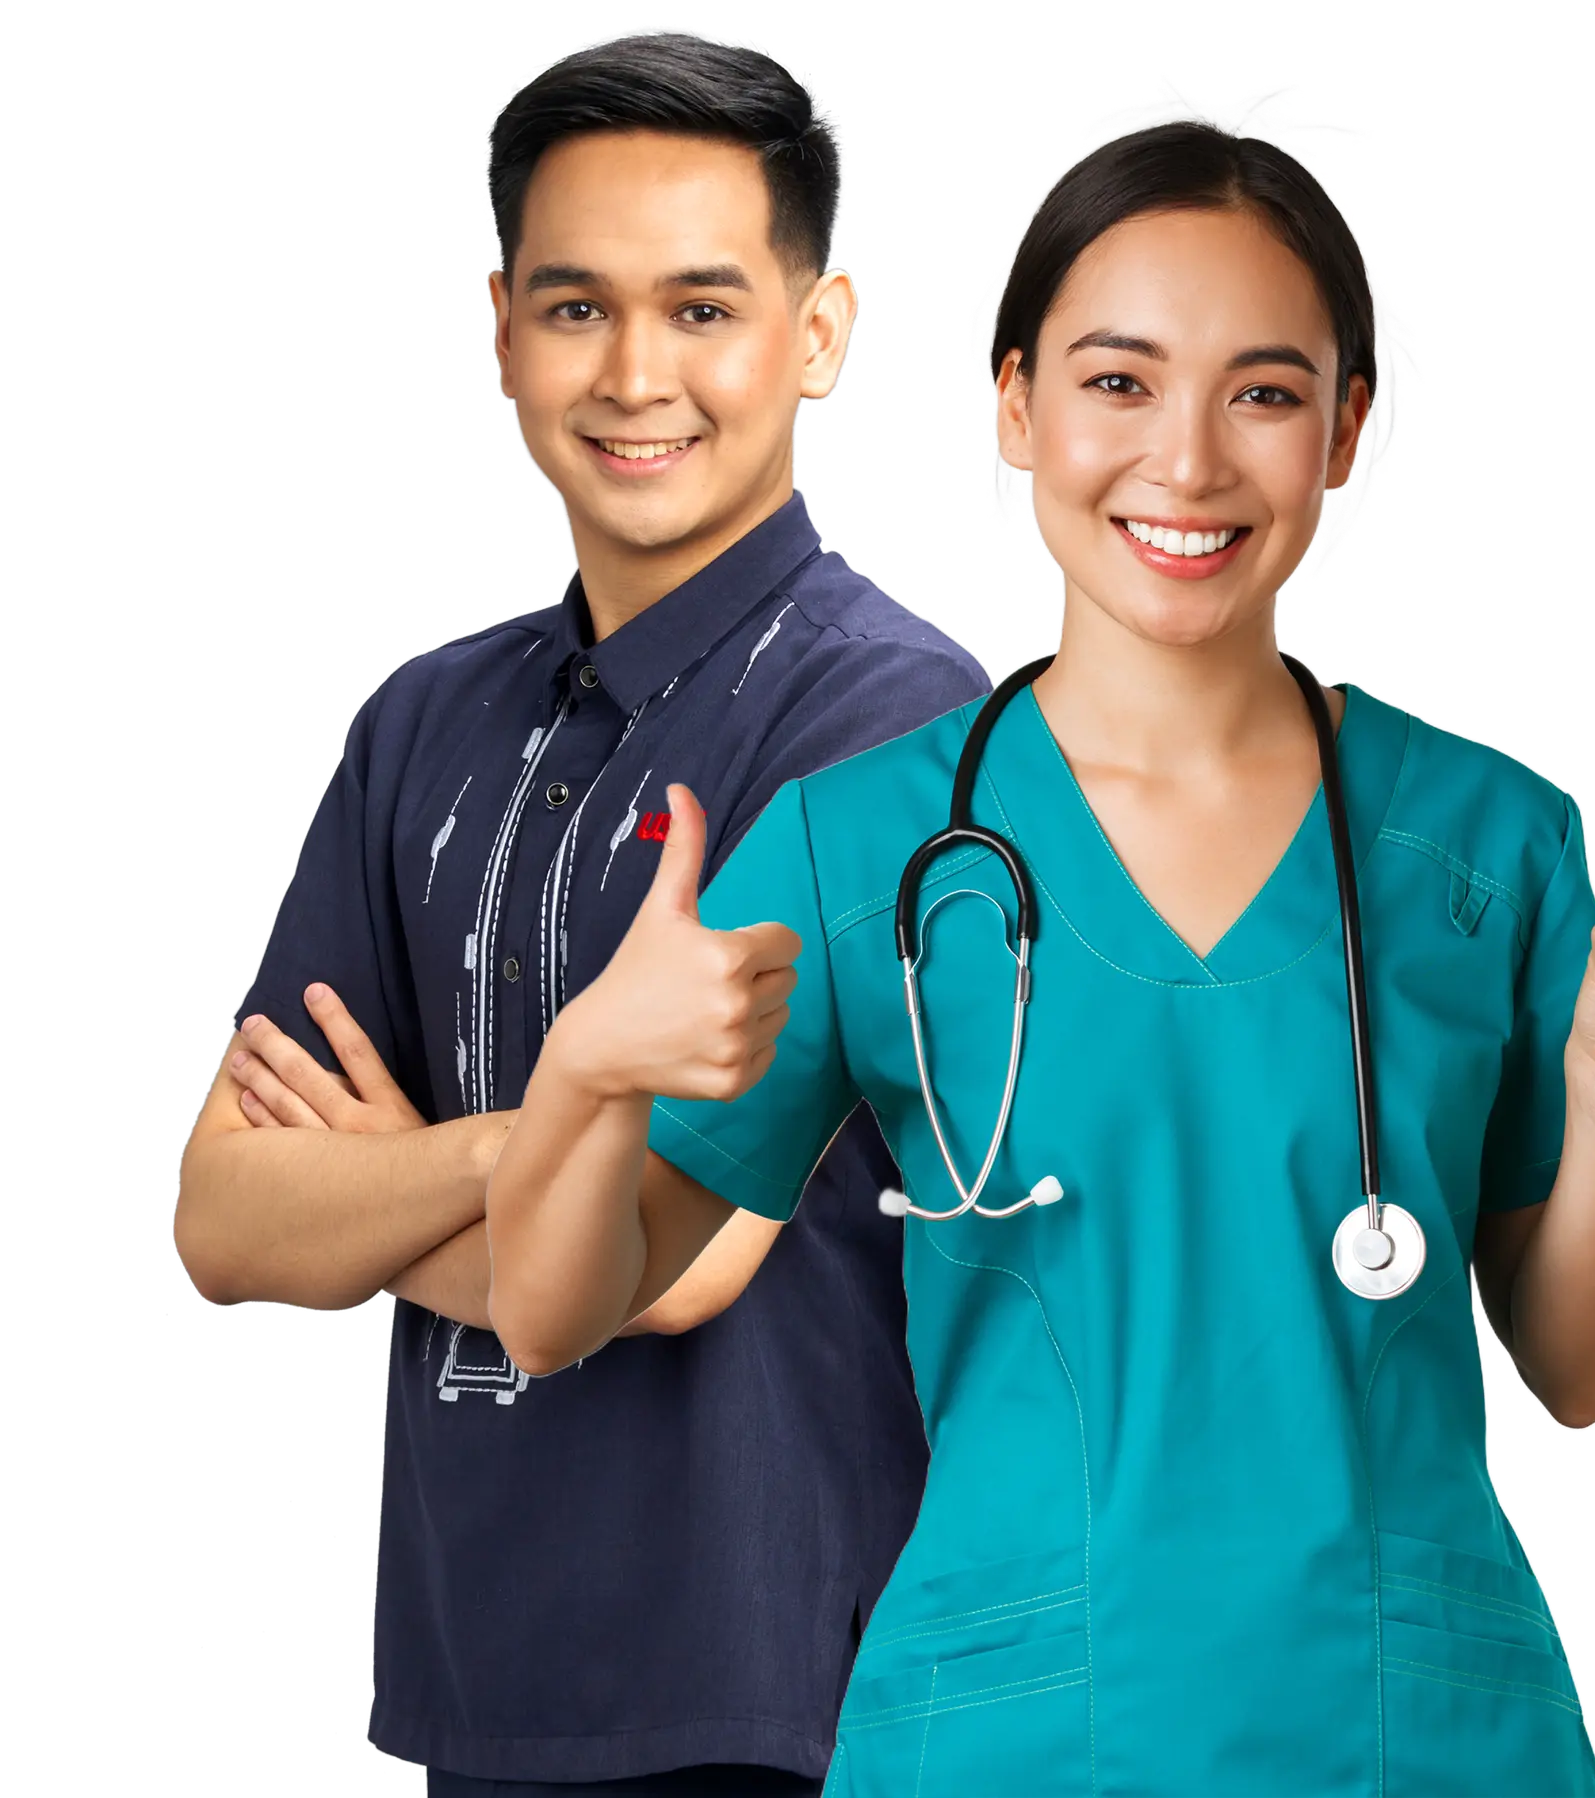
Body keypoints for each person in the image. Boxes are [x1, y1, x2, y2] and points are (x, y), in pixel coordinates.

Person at [484, 118, 1595, 1795]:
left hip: (1412, 1744)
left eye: (1263, 393)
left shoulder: (1487, 843)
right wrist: (588, 1066)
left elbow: (1580, 1368)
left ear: (1345, 428)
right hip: (1011, 1741)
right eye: (1119, 384)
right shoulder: (863, 850)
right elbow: (555, 1311)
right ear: (1014, 400)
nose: (1186, 465)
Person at [172, 30, 990, 1796]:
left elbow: (680, 1257)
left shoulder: (893, 722)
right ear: (498, 329)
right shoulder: (423, 724)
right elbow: (228, 1216)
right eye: (574, 307)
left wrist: (398, 1172)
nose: (636, 374)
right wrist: (556, 1134)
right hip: (479, 1687)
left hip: (788, 1693)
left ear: (822, 332)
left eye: (703, 308)